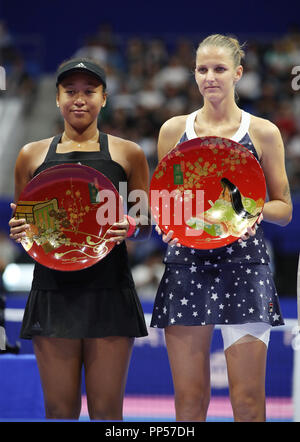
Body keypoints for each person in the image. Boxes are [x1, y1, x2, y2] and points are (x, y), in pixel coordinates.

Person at [150, 34, 293, 422]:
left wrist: (250, 212)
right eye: (202, 69)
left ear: (238, 74)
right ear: (194, 75)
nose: (210, 77)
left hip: (245, 266)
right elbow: (165, 201)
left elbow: (284, 208)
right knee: (189, 405)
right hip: (186, 265)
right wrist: (166, 223)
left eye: (219, 69)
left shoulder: (262, 131)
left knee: (248, 404)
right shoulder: (172, 131)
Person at [9, 57, 151, 420]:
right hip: (53, 292)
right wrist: (19, 230)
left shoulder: (128, 153)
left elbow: (146, 220)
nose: (79, 99)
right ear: (57, 98)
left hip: (110, 291)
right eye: (70, 91)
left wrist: (130, 227)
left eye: (90, 91)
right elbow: (24, 223)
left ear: (104, 98)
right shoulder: (30, 155)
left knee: (107, 414)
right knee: (59, 412)